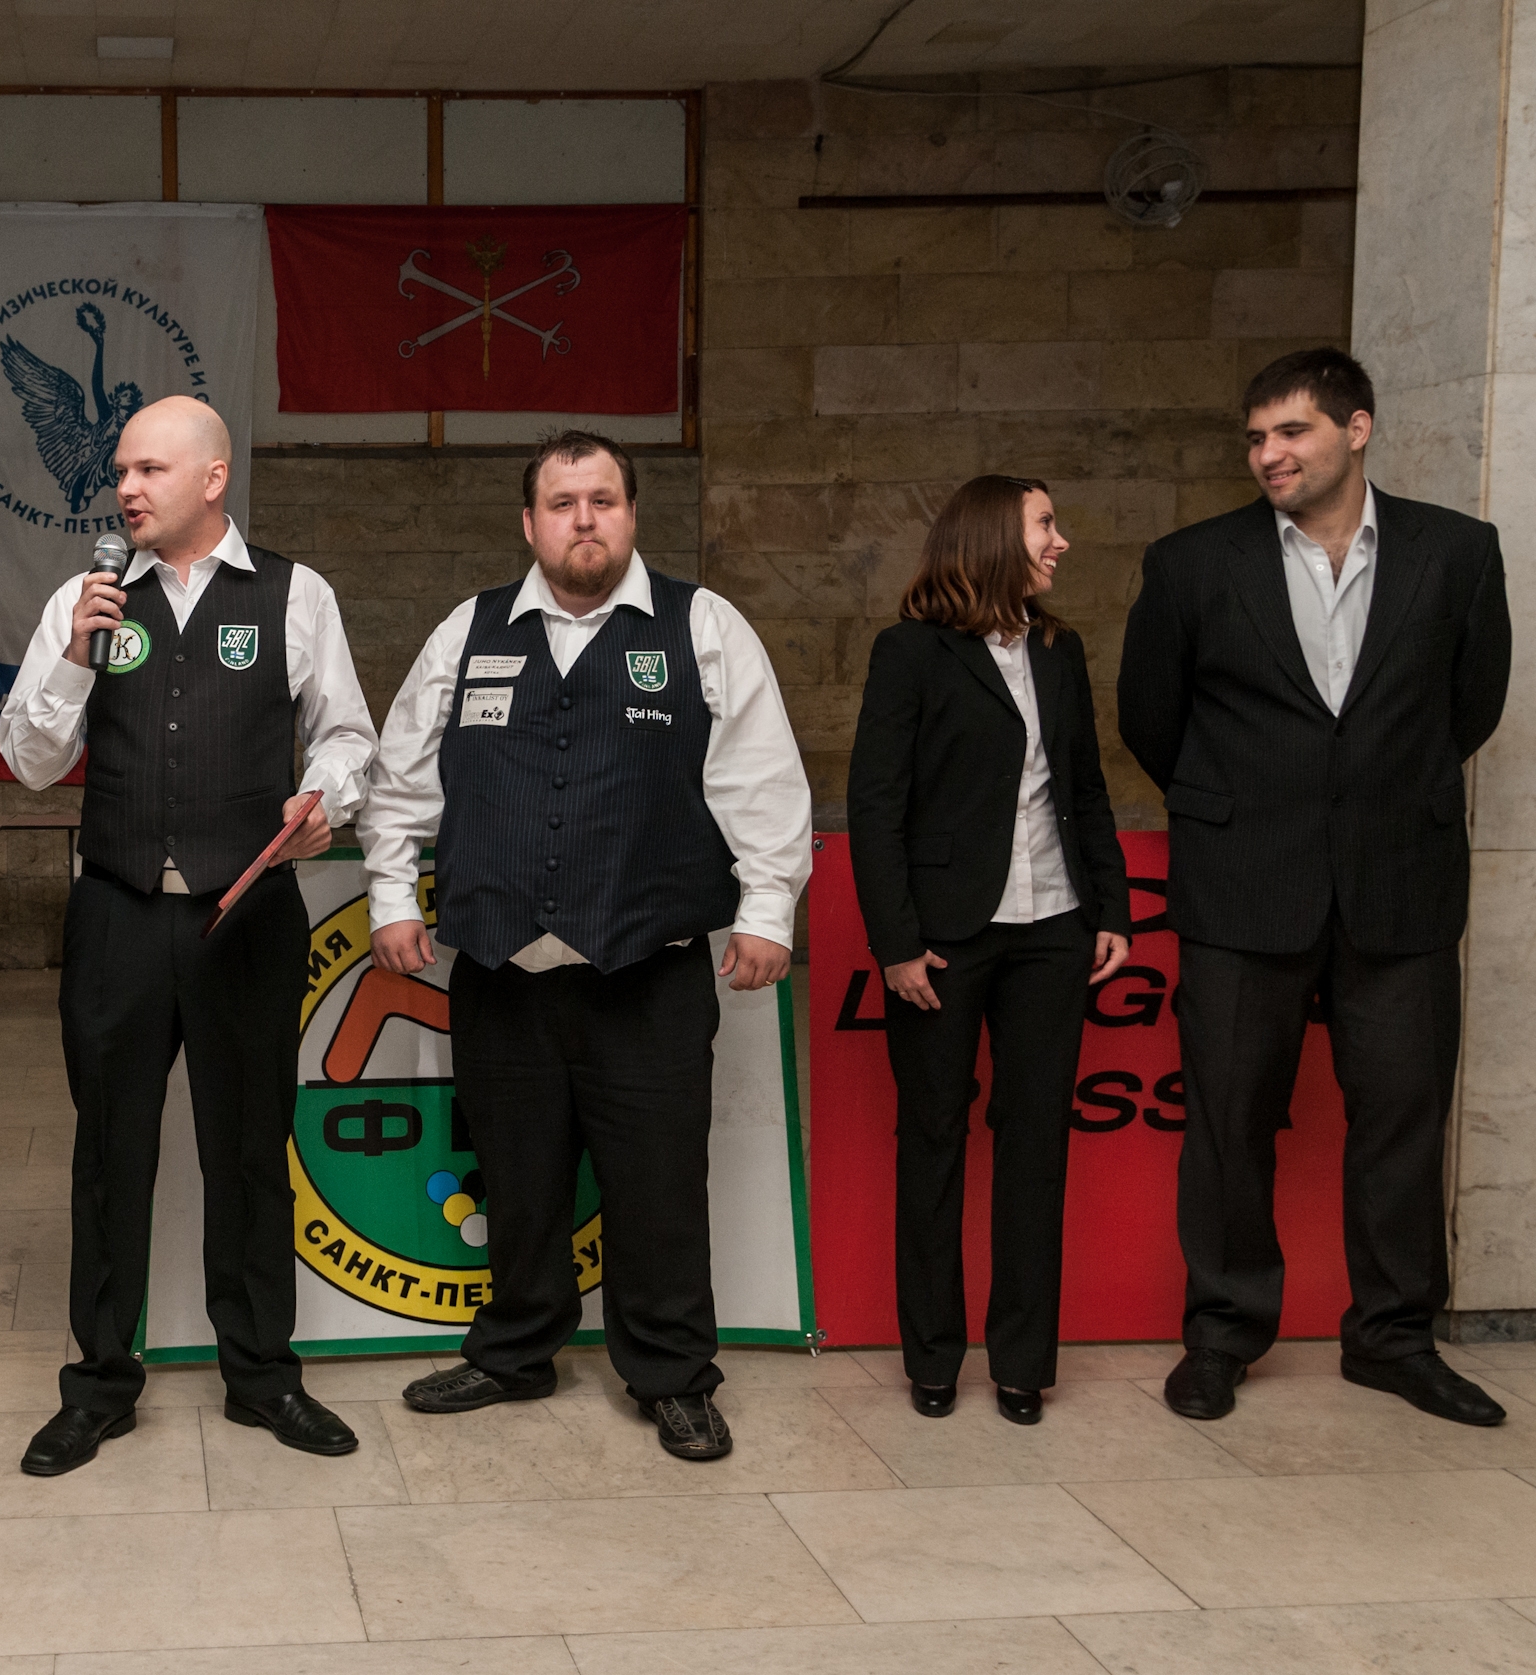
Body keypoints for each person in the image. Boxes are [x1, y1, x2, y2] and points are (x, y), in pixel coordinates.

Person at [356, 430, 813, 1460]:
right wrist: (391, 894)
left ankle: (673, 1374)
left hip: (646, 972)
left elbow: (762, 780)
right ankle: (515, 1352)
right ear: (530, 523)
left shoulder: (703, 626)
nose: (584, 519)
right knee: (518, 1181)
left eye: (603, 499)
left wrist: (767, 910)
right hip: (502, 973)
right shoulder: (468, 631)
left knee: (659, 1188)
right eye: (563, 503)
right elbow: (400, 781)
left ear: (632, 513)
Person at [1119, 348, 1512, 1426]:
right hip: (1244, 884)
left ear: (1357, 428)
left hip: (1402, 883)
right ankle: (1221, 1336)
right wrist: (1250, 805)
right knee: (1229, 1122)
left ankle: (1393, 1339)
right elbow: (1152, 718)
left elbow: (1469, 706)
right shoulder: (1192, 563)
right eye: (1255, 437)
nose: (1269, 454)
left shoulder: (1457, 552)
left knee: (1403, 1120)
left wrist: (1373, 793)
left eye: (1291, 431)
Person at [0, 395, 378, 1475]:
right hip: (115, 910)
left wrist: (326, 794)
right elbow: (28, 760)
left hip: (246, 916)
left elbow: (348, 736)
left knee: (251, 1150)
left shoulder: (297, 594)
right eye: (121, 470)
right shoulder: (84, 600)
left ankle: (262, 1376)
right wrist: (75, 656)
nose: (126, 488)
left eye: (149, 469)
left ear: (214, 478)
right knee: (108, 1151)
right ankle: (98, 1386)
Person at [847, 475, 1132, 1426]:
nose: (1061, 541)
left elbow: (1085, 789)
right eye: (1046, 524)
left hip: (1055, 930)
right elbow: (875, 804)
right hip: (942, 941)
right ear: (993, 539)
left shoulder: (1059, 649)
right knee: (933, 1141)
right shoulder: (910, 652)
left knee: (1036, 1144)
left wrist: (1110, 908)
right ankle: (933, 1357)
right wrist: (896, 944)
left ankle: (1021, 1363)